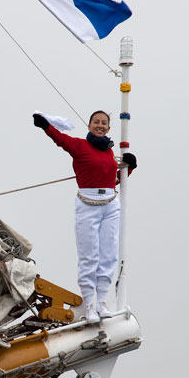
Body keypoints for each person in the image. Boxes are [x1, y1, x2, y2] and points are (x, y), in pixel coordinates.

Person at [33, 110, 137, 323]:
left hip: (110, 204)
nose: (100, 125)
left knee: (108, 255)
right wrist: (46, 126)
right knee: (89, 255)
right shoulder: (80, 146)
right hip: (87, 205)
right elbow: (60, 140)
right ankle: (89, 304)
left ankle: (102, 303)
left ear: (108, 128)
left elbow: (113, 180)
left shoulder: (109, 152)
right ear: (89, 125)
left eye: (104, 123)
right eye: (96, 122)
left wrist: (130, 168)